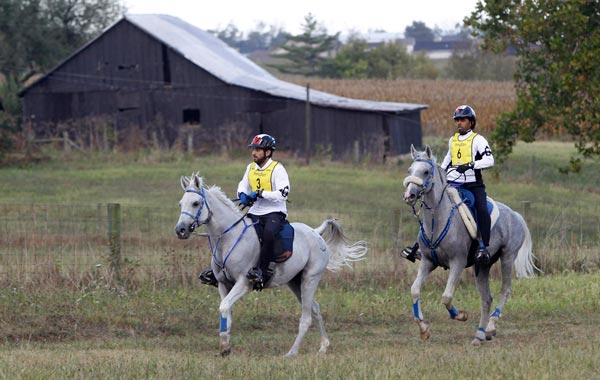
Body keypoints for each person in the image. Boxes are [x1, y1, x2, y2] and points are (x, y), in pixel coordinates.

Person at [402, 105, 494, 266]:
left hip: (473, 185)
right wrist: (440, 176)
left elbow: (489, 160)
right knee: (432, 207)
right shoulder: (453, 140)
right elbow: (445, 163)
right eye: (457, 120)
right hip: (453, 184)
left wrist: (470, 165)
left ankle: (482, 247)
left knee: (481, 209)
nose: (459, 123)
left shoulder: (478, 140)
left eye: (463, 120)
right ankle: (420, 247)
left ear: (471, 122)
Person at [198, 133, 290, 290]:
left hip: (274, 212)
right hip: (256, 211)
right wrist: (242, 195)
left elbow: (283, 193)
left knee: (268, 235)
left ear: (268, 152)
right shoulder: (251, 167)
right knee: (232, 232)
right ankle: (218, 271)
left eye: (258, 150)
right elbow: (243, 185)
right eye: (253, 149)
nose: (254, 152)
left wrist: (261, 193)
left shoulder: (277, 169)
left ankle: (261, 271)